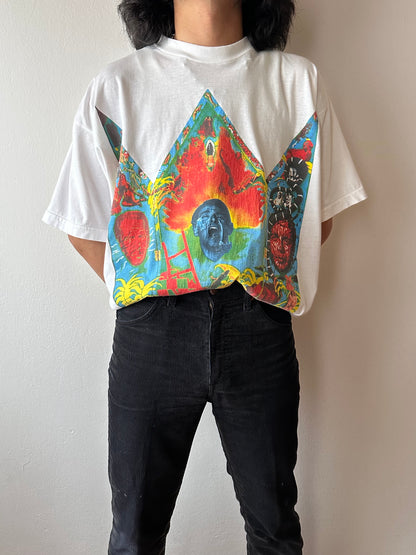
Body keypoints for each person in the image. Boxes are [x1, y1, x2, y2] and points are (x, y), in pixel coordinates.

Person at [42, 0, 367, 553]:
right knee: (133, 533)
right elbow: (83, 224)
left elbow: (317, 217)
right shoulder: (117, 87)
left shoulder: (297, 82)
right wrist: (149, 293)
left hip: (259, 326)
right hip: (152, 330)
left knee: (274, 529)